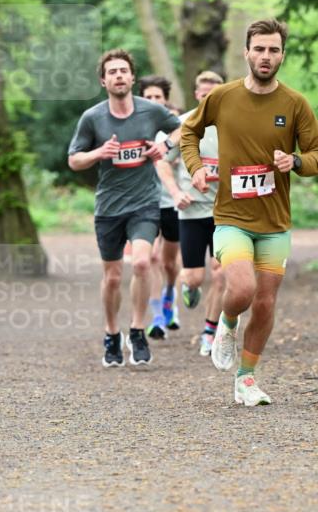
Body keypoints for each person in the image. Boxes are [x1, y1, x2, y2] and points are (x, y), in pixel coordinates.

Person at [180, 18, 318, 405]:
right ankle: (226, 324)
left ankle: (246, 378)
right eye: (259, 49)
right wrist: (196, 169)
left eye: (273, 50)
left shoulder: (295, 104)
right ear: (246, 52)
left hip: (275, 222)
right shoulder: (223, 97)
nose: (266, 56)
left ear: (282, 55)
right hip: (231, 216)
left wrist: (294, 162)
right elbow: (188, 133)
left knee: (265, 301)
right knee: (241, 288)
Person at [68, 49, 180, 367]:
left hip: (144, 204)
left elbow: (183, 127)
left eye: (123, 71)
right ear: (104, 81)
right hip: (109, 207)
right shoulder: (92, 118)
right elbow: (73, 159)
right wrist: (99, 153)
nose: (118, 75)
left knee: (143, 264)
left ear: (132, 77)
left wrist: (164, 145)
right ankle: (111, 333)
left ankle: (137, 330)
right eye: (112, 72)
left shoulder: (150, 111)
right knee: (114, 277)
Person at [163, 70, 225, 356]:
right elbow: (162, 160)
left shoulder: (235, 122)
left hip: (225, 211)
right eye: (203, 88)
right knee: (195, 277)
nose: (208, 92)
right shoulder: (183, 123)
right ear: (196, 93)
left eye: (215, 87)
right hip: (192, 211)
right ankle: (189, 287)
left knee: (221, 272)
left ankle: (210, 332)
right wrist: (176, 192)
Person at [138, 75, 183, 338]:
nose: (153, 101)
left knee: (168, 262)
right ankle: (156, 317)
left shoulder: (174, 128)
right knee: (152, 257)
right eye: (148, 96)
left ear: (165, 99)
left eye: (158, 97)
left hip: (171, 202)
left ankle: (169, 296)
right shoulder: (134, 126)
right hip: (144, 202)